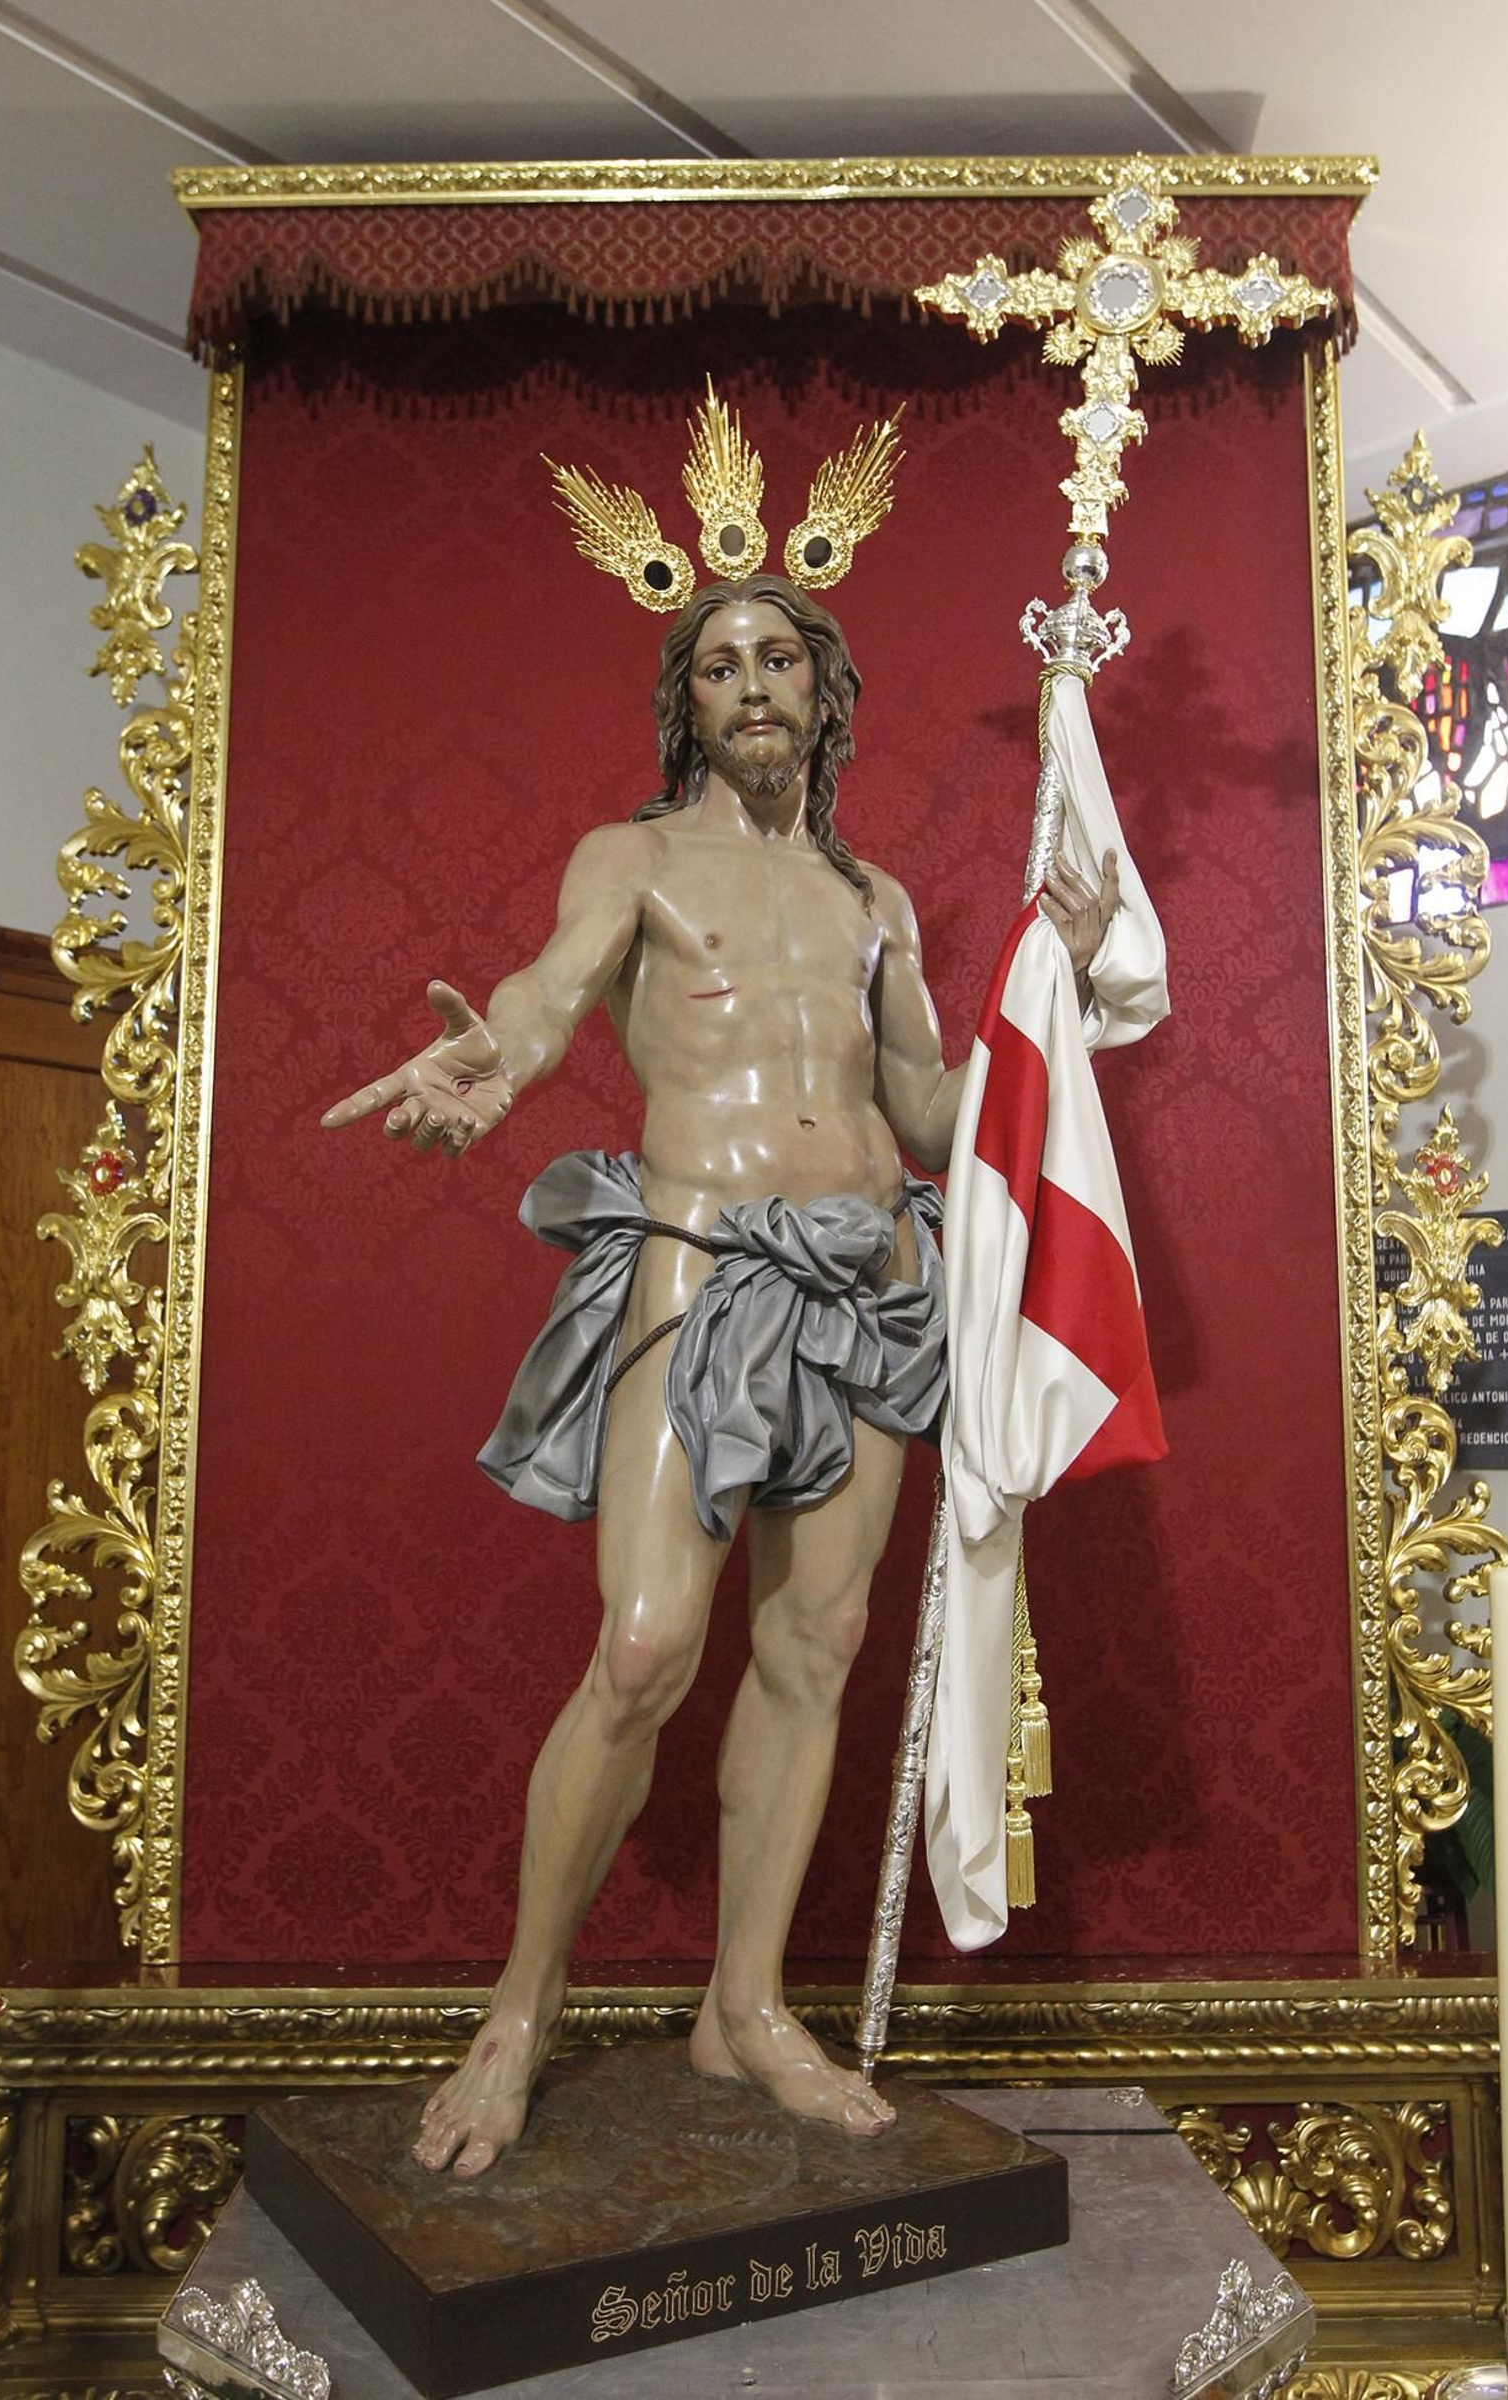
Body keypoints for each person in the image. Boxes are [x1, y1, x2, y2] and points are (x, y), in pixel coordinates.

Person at [323, 573, 1118, 2177]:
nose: (751, 686)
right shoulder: (636, 862)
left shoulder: (873, 899)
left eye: (778, 660)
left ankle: (743, 2007)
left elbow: (931, 1112)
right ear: (684, 705)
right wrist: (501, 1056)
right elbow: (550, 993)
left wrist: (1058, 982)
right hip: (700, 1262)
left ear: (825, 694)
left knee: (815, 1647)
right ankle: (519, 2012)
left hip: (870, 1282)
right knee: (643, 1644)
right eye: (719, 668)